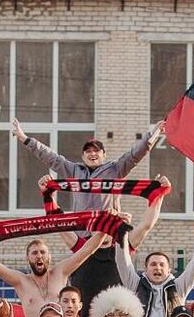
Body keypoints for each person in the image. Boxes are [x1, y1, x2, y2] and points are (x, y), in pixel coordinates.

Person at [11, 120, 161, 301]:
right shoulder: (75, 171)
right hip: (83, 238)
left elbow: (134, 155)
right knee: (83, 284)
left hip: (108, 238)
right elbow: (51, 157)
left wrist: (151, 136)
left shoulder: (115, 169)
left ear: (104, 155)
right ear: (82, 156)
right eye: (88, 151)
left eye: (96, 151)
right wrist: (25, 139)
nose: (92, 154)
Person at [0, 234, 105, 317]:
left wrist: (105, 228)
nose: (39, 256)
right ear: (28, 258)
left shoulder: (60, 272)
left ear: (49, 257)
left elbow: (86, 250)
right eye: (34, 253)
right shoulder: (21, 280)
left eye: (43, 252)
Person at [117, 222, 194, 317]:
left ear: (169, 270)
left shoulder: (178, 288)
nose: (157, 268)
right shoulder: (135, 284)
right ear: (146, 269)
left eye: (162, 265)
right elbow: (123, 262)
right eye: (153, 264)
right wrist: (121, 233)